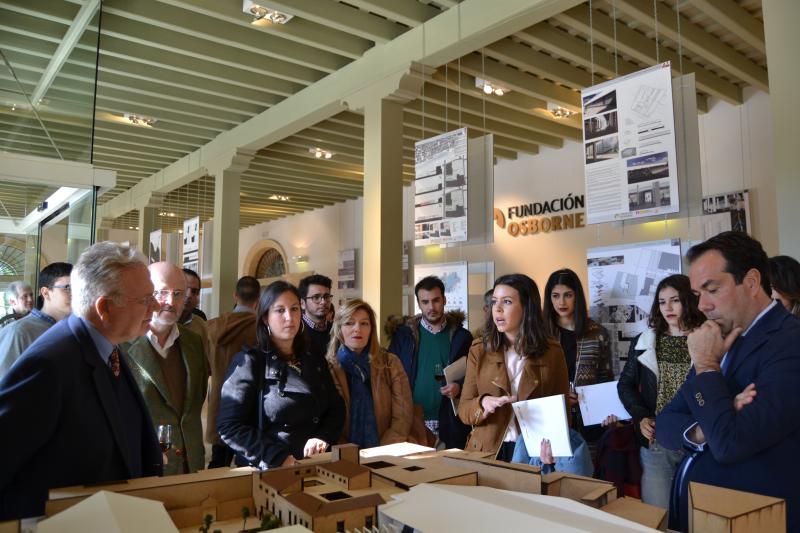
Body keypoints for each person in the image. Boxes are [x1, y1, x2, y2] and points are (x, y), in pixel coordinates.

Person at [0, 242, 162, 519]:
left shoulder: (108, 348)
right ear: (105, 308)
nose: (156, 306)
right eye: (145, 300)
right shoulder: (50, 364)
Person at [656, 232, 800, 532]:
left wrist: (708, 369)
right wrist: (705, 426)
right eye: (697, 295)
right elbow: (666, 423)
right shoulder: (721, 340)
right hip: (708, 515)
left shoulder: (790, 342)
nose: (703, 306)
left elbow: (730, 443)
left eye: (712, 289)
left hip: (759, 518)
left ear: (750, 282)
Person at [217, 280, 344, 468]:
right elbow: (230, 426)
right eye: (279, 310)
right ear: (265, 317)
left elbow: (336, 406)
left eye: (294, 309)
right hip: (271, 469)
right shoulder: (250, 362)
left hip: (316, 464)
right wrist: (276, 457)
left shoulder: (313, 356)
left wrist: (322, 437)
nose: (289, 317)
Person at [617, 274, 706, 510]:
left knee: (700, 516)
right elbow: (625, 385)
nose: (668, 307)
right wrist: (640, 416)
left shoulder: (707, 337)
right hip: (657, 440)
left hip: (699, 439)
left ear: (688, 300)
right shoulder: (645, 340)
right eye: (662, 301)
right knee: (659, 515)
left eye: (675, 300)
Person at [458, 273, 568, 461]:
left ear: (527, 307)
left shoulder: (552, 352)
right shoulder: (479, 350)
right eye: (494, 302)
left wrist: (556, 450)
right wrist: (483, 403)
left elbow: (561, 412)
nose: (497, 309)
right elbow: (464, 411)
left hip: (533, 454)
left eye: (507, 302)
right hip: (488, 451)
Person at [123, 262, 208, 475]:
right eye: (161, 292)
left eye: (178, 293)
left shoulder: (193, 342)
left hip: (190, 465)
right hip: (143, 466)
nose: (171, 301)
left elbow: (195, 403)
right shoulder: (121, 344)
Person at [387, 276, 473, 449]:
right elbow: (389, 375)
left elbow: (474, 375)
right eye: (425, 302)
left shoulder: (462, 337)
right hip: (412, 421)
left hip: (450, 421)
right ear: (419, 304)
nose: (431, 307)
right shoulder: (403, 337)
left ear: (444, 300)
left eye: (436, 300)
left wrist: (459, 387)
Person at [327, 299, 413, 447]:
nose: (357, 329)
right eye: (349, 323)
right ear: (339, 329)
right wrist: (348, 453)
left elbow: (402, 416)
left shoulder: (390, 363)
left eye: (364, 323)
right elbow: (329, 421)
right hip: (344, 454)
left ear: (371, 329)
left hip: (388, 451)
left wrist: (380, 452)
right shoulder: (328, 368)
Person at [542, 268, 614, 440]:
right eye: (555, 296)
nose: (561, 302)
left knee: (588, 464)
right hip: (551, 420)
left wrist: (608, 410)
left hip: (591, 419)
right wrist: (560, 396)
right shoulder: (541, 335)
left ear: (577, 297)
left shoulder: (597, 332)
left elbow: (605, 378)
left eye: (568, 295)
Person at [206, 275, 259, 468]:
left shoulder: (212, 327)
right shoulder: (260, 329)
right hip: (248, 407)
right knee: (248, 466)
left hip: (219, 403)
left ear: (235, 296)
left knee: (218, 463)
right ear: (258, 299)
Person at [0, 262, 72, 379]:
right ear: (46, 292)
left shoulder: (74, 329)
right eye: (68, 288)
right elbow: (5, 386)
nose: (75, 294)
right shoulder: (20, 332)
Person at [180, 268, 212, 369]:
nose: (189, 295)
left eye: (194, 291)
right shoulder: (160, 322)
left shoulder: (201, 326)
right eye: (185, 288)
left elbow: (204, 365)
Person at [298, 274, 334, 359]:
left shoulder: (335, 329)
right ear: (302, 303)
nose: (323, 302)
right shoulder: (297, 331)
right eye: (316, 297)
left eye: (326, 297)